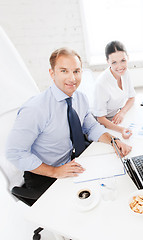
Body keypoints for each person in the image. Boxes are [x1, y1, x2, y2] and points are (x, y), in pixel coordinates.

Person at [6, 47, 132, 203]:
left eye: (76, 71)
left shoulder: (80, 99)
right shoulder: (35, 109)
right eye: (64, 71)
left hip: (71, 160)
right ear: (52, 73)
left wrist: (114, 141)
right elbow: (14, 153)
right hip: (44, 172)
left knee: (112, 187)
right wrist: (55, 171)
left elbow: (91, 127)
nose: (72, 78)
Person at [93, 41, 136, 139]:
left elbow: (132, 98)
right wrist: (121, 130)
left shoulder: (126, 73)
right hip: (103, 123)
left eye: (123, 60)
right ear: (108, 62)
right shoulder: (101, 83)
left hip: (116, 116)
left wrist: (122, 112)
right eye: (114, 62)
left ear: (128, 58)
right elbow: (100, 119)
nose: (120, 66)